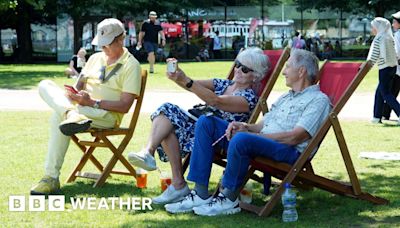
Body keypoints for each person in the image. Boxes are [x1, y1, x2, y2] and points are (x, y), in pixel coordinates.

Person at [164, 49, 332, 216]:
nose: (283, 72)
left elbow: (295, 136)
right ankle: (200, 194)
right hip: (262, 141)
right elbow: (260, 125)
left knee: (242, 139)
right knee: (207, 122)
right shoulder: (286, 97)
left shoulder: (318, 100)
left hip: (287, 150)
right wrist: (244, 126)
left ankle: (229, 199)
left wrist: (253, 136)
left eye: (287, 67)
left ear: (301, 71)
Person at [127, 47, 270, 205]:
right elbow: (193, 85)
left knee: (170, 125)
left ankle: (178, 185)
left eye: (244, 69)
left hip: (218, 136)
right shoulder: (224, 84)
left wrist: (187, 81)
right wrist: (179, 77)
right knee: (167, 112)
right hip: (200, 126)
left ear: (255, 76)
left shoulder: (249, 98)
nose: (237, 70)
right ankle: (149, 152)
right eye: (237, 64)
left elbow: (216, 101)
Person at [30, 18, 142, 195]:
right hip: (82, 109)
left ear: (121, 39)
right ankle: (70, 114)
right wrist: (74, 93)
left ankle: (50, 178)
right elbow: (79, 84)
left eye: (107, 44)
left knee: (58, 116)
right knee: (45, 84)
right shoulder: (95, 58)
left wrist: (92, 102)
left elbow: (125, 105)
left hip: (107, 116)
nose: (103, 48)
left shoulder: (131, 65)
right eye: (101, 44)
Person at [367, 17, 400, 125]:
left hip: (384, 68)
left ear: (378, 27)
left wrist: (366, 66)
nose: (372, 29)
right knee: (380, 92)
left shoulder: (379, 38)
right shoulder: (389, 37)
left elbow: (374, 55)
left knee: (385, 93)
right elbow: (395, 53)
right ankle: (376, 116)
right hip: (393, 67)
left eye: (373, 27)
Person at [382, 11, 400, 120]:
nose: (393, 24)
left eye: (394, 22)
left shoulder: (398, 35)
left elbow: (397, 52)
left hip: (397, 69)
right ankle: (385, 114)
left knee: (390, 92)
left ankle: (385, 114)